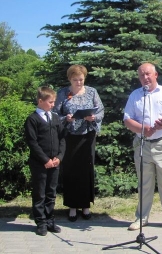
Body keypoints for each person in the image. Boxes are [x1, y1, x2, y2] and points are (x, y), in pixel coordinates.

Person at [123, 63, 162, 231]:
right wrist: (143, 129)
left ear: (156, 74)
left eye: (148, 74)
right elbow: (127, 119)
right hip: (143, 144)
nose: (145, 78)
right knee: (144, 183)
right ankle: (141, 218)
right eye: (142, 75)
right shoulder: (135, 95)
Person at [54, 64, 104, 222]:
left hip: (87, 135)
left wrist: (93, 117)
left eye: (81, 79)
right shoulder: (63, 93)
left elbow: (101, 109)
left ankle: (86, 206)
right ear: (70, 79)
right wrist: (66, 118)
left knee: (86, 169)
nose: (79, 82)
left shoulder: (91, 91)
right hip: (69, 136)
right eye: (75, 80)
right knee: (70, 170)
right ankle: (72, 207)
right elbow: (55, 113)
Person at [24, 86, 66, 236]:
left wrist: (59, 157)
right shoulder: (32, 119)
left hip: (54, 162)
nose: (53, 105)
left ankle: (50, 220)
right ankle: (40, 222)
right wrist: (44, 159)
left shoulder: (54, 118)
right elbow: (32, 142)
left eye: (54, 102)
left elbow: (62, 138)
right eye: (50, 102)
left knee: (51, 192)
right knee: (40, 193)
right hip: (39, 163)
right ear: (40, 101)